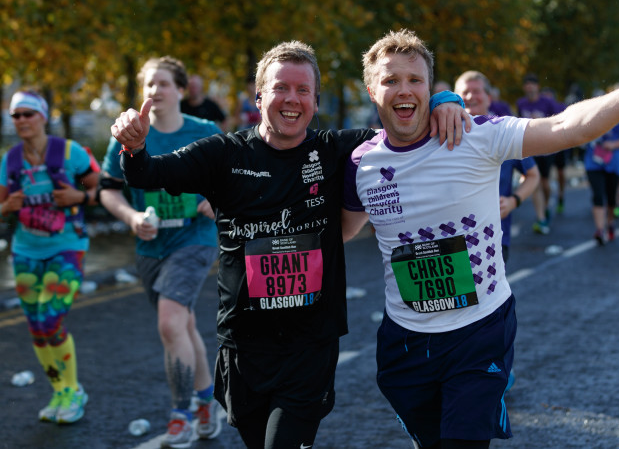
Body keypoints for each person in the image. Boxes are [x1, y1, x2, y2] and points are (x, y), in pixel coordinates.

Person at [108, 41, 468, 448]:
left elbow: (406, 124)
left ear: (315, 101)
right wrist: (134, 147)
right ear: (259, 96)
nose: (292, 100)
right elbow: (148, 173)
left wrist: (445, 99)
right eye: (281, 88)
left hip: (309, 347)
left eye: (303, 91)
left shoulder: (339, 151)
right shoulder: (224, 154)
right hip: (244, 346)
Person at [342, 29, 619, 448]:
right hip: (404, 342)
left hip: (478, 331)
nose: (404, 89)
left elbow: (564, 127)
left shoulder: (475, 135)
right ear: (372, 91)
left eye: (415, 80)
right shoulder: (360, 162)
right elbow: (341, 229)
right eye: (391, 80)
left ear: (432, 88)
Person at [100, 56, 223, 448]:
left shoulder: (204, 131)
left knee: (170, 322)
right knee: (182, 325)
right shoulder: (130, 133)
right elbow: (108, 187)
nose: (155, 90)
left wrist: (216, 199)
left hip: (195, 238)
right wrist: (132, 216)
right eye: (149, 84)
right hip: (150, 246)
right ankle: (208, 402)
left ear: (181, 90)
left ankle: (180, 415)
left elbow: (234, 176)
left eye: (164, 83)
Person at [0, 91, 99, 424]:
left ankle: (73, 391)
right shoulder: (10, 161)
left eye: (28, 113)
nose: (22, 121)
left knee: (51, 318)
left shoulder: (70, 152)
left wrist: (80, 195)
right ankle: (59, 392)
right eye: (16, 116)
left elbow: (104, 188)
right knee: (36, 327)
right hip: (25, 252)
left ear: (43, 116)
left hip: (67, 248)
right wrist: (5, 208)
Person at [453, 70, 539, 261]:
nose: (470, 97)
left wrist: (514, 200)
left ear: (488, 98)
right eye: (464, 92)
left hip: (494, 237)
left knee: (491, 291)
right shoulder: (442, 134)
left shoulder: (503, 132)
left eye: (476, 91)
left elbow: (533, 175)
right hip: (451, 239)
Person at [516, 73, 558, 234]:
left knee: (546, 184)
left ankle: (546, 206)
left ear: (537, 87)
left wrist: (540, 122)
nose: (529, 87)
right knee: (536, 183)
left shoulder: (547, 102)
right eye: (527, 84)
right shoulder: (521, 103)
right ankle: (541, 218)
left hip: (546, 148)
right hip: (529, 149)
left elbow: (557, 121)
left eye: (532, 84)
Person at [584, 115, 619, 245]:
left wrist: (612, 144)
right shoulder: (589, 121)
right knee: (598, 195)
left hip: (613, 165)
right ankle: (600, 230)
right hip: (593, 164)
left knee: (611, 199)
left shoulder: (616, 120)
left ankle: (610, 222)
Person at [540, 87, 568, 214]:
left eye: (548, 96)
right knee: (545, 176)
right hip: (546, 146)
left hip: (561, 144)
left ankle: (561, 194)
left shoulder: (560, 106)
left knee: (561, 172)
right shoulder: (540, 107)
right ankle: (546, 203)